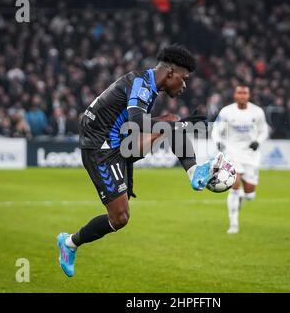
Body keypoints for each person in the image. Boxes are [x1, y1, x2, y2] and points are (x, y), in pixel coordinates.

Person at [57, 45, 224, 277]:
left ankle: (194, 171)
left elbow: (135, 126)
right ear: (170, 74)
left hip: (118, 141)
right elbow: (138, 125)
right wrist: (183, 125)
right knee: (120, 218)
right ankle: (69, 244)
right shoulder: (141, 85)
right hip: (100, 148)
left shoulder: (149, 84)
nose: (185, 85)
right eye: (184, 79)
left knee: (170, 120)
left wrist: (176, 125)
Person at [212, 84, 269, 234]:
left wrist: (259, 141)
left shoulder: (257, 112)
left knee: (250, 195)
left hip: (251, 155)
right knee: (234, 184)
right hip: (233, 152)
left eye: (245, 93)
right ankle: (234, 223)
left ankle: (242, 198)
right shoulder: (226, 111)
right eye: (240, 93)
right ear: (235, 95)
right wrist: (217, 141)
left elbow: (264, 130)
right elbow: (216, 129)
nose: (242, 95)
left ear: (248, 95)